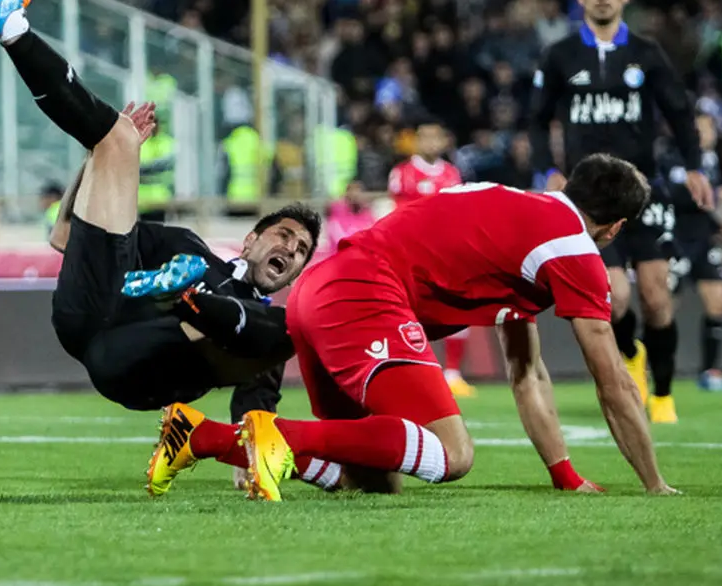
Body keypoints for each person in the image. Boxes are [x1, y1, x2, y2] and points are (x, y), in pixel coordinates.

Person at [149, 154, 679, 502]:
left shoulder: (518, 210)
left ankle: (200, 437)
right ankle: (259, 435)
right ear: (615, 228)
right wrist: (654, 483)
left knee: (373, 479)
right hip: (364, 294)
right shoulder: (574, 250)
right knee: (452, 454)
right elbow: (612, 380)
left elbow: (528, 373)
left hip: (317, 292)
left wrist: (564, 474)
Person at [0, 0, 321, 425]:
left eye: (301, 250)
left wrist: (251, 440)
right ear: (251, 239)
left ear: (295, 274)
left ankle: (180, 302)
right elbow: (64, 238)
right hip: (91, 314)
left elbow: (258, 388)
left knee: (275, 331)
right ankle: (10, 26)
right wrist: (100, 154)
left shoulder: (260, 327)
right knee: (116, 135)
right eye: (284, 235)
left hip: (143, 366)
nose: (292, 248)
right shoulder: (184, 245)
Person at [529, 0, 713, 425]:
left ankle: (664, 393)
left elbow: (679, 112)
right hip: (586, 201)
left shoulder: (648, 54)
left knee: (655, 295)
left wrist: (695, 167)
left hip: (646, 191)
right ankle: (630, 352)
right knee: (614, 293)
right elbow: (535, 120)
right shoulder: (560, 55)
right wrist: (547, 167)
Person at [387, 118, 476, 397]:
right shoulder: (402, 173)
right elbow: (398, 213)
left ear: (443, 141)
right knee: (408, 311)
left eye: (435, 137)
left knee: (457, 308)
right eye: (424, 137)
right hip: (412, 253)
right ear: (416, 140)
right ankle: (411, 371)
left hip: (446, 252)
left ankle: (452, 373)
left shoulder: (451, 173)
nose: (430, 143)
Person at [664, 113, 722, 392]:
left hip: (704, 240)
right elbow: (674, 195)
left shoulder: (712, 161)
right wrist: (709, 199)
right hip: (676, 238)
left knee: (717, 301)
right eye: (703, 128)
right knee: (664, 308)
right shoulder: (672, 158)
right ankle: (651, 367)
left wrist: (719, 222)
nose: (709, 133)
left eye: (710, 127)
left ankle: (710, 371)